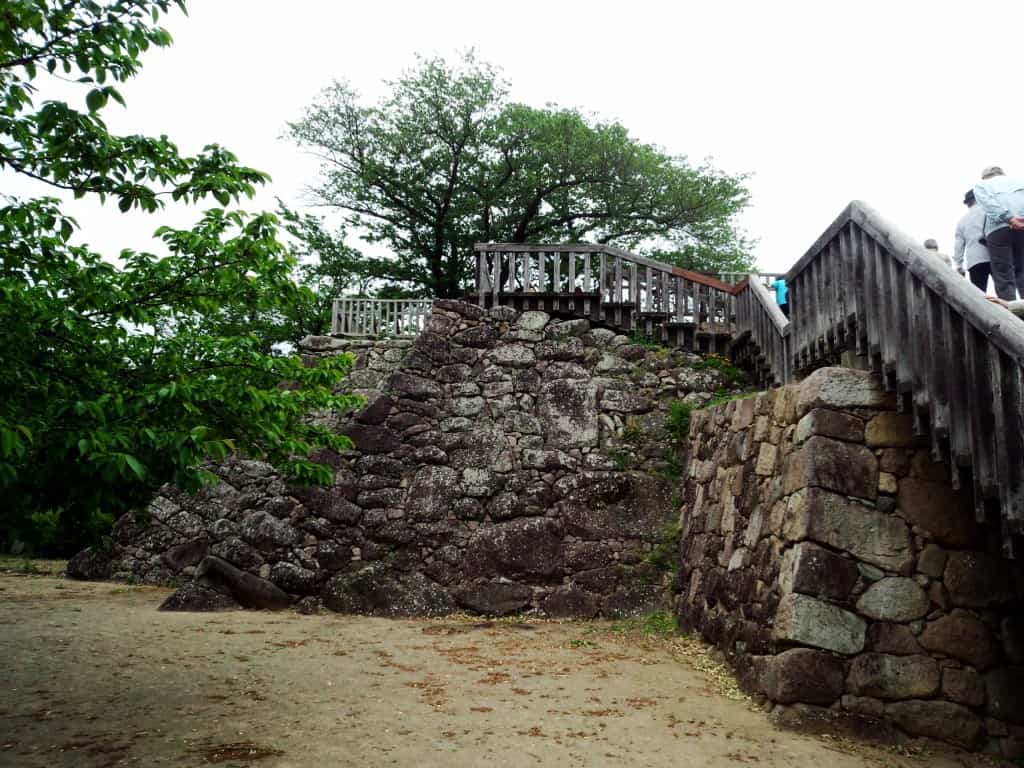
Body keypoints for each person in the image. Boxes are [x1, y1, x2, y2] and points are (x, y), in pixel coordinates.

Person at [973, 166, 1024, 300]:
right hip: (1022, 226)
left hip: (997, 229)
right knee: (1022, 270)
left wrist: (1009, 218)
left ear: (984, 177)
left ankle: (1010, 315)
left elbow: (989, 205)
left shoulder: (981, 185)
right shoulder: (1020, 180)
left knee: (1003, 274)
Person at [953, 189, 991, 291]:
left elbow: (958, 246)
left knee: (980, 294)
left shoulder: (962, 221)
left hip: (974, 260)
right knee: (1003, 291)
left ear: (968, 202)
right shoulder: (989, 211)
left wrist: (959, 265)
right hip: (994, 256)